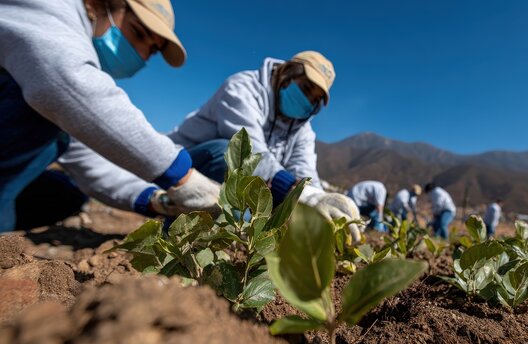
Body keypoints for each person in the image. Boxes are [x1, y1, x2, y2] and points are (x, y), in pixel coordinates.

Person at [52, 51, 363, 240]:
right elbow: (249, 151)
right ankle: (177, 234)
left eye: (314, 99)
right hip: (185, 168)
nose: (306, 100)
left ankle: (232, 236)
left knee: (283, 193)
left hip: (230, 187)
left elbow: (304, 171)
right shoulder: (244, 88)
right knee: (226, 152)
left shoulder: (302, 129)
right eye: (304, 88)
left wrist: (320, 198)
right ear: (286, 74)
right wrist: (301, 194)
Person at [0, 0, 220, 232]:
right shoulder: (50, 8)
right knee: (40, 116)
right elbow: (62, 83)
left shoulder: (63, 79)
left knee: (64, 195)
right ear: (98, 4)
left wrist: (156, 200)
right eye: (138, 32)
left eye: (152, 51)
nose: (143, 54)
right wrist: (182, 177)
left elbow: (85, 158)